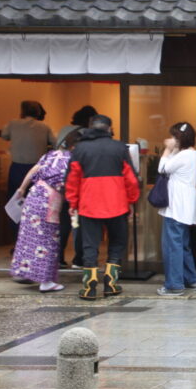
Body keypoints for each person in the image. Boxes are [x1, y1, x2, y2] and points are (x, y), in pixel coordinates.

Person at [65, 115, 140, 300]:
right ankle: (110, 283)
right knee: (117, 243)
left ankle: (89, 286)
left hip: (89, 204)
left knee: (90, 244)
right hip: (117, 204)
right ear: (109, 128)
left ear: (90, 127)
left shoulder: (80, 148)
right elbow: (130, 178)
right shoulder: (120, 147)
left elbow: (72, 180)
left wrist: (73, 203)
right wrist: (131, 201)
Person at [11, 129, 83, 292]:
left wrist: (22, 188)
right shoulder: (72, 160)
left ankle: (27, 272)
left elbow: (33, 171)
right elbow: (71, 185)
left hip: (33, 195)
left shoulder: (50, 155)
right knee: (48, 240)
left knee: (29, 238)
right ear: (75, 147)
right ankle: (46, 281)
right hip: (49, 201)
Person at [0, 100, 54, 232]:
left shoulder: (14, 124)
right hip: (37, 170)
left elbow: (0, 132)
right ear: (38, 112)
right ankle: (35, 234)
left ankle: (17, 235)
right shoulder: (45, 127)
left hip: (17, 168)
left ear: (22, 112)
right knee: (37, 204)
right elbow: (54, 144)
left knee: (16, 201)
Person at [156, 122, 196, 296]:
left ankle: (174, 285)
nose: (172, 140)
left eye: (175, 137)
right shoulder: (193, 154)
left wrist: (167, 150)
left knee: (172, 245)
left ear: (180, 138)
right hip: (185, 205)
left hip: (176, 205)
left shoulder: (184, 156)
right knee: (183, 244)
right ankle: (191, 279)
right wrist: (174, 149)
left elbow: (163, 169)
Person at [56, 106, 97, 268]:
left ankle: (57, 258)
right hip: (78, 183)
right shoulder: (87, 135)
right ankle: (79, 259)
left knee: (62, 223)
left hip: (59, 184)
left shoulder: (64, 130)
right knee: (78, 224)